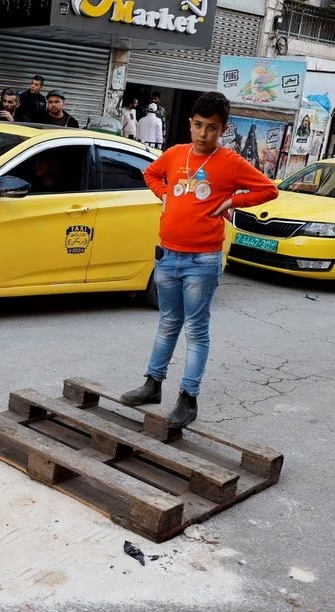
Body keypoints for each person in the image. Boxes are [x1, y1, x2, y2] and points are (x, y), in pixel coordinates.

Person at [119, 92, 279, 427]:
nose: (203, 133)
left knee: (196, 329)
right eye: (198, 125)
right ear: (190, 123)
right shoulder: (176, 154)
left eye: (211, 127)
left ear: (223, 129)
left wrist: (233, 202)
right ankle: (153, 384)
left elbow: (268, 190)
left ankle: (188, 398)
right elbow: (151, 175)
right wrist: (165, 195)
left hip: (202, 261)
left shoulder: (231, 162)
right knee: (166, 324)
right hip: (167, 255)